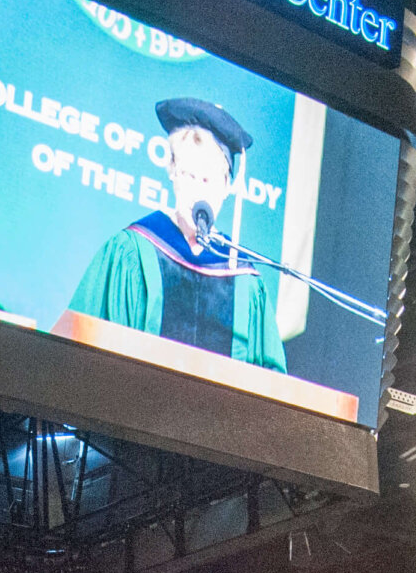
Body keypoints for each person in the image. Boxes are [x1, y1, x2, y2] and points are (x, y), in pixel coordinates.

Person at [66, 98, 285, 372]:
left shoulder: (245, 281)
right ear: (171, 172)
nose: (198, 191)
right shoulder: (132, 250)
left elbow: (270, 382)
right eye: (189, 175)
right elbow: (83, 353)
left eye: (207, 180)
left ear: (227, 185)